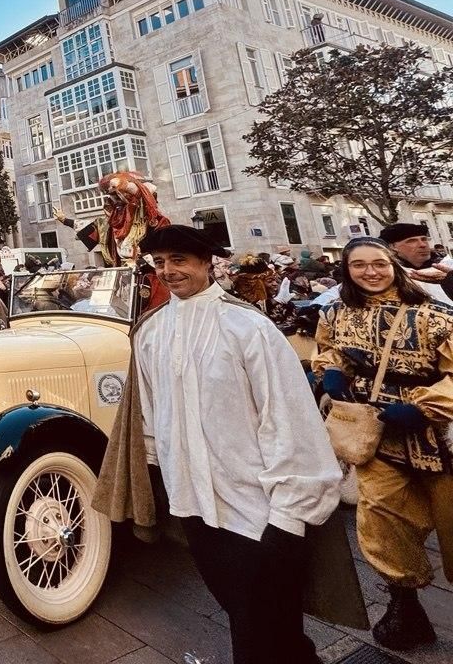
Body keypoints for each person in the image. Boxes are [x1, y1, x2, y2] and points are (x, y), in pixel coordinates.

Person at [95, 225, 342, 664]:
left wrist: (289, 514)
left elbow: (287, 419)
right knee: (247, 615)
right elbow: (150, 415)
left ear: (208, 263)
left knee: (262, 626)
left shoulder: (248, 327)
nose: (168, 271)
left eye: (179, 261)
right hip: (193, 506)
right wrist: (154, 482)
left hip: (258, 508)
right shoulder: (150, 333)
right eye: (160, 263)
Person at [313, 236, 453, 650]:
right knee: (380, 523)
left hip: (439, 441)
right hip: (375, 439)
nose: (370, 272)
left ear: (394, 264)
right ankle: (405, 605)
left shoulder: (436, 316)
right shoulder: (335, 312)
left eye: (379, 263)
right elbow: (329, 350)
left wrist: (426, 407)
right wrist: (331, 373)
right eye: (359, 265)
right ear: (347, 269)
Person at [380, 221, 453, 305]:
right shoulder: (388, 275)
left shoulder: (449, 265)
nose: (423, 244)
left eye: (424, 239)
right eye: (412, 241)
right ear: (392, 247)